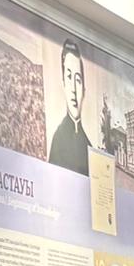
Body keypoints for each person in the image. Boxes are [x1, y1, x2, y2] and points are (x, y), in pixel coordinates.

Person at [49, 37, 91, 174]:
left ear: (84, 89)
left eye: (78, 80)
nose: (73, 88)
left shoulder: (89, 146)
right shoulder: (58, 140)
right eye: (69, 77)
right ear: (63, 84)